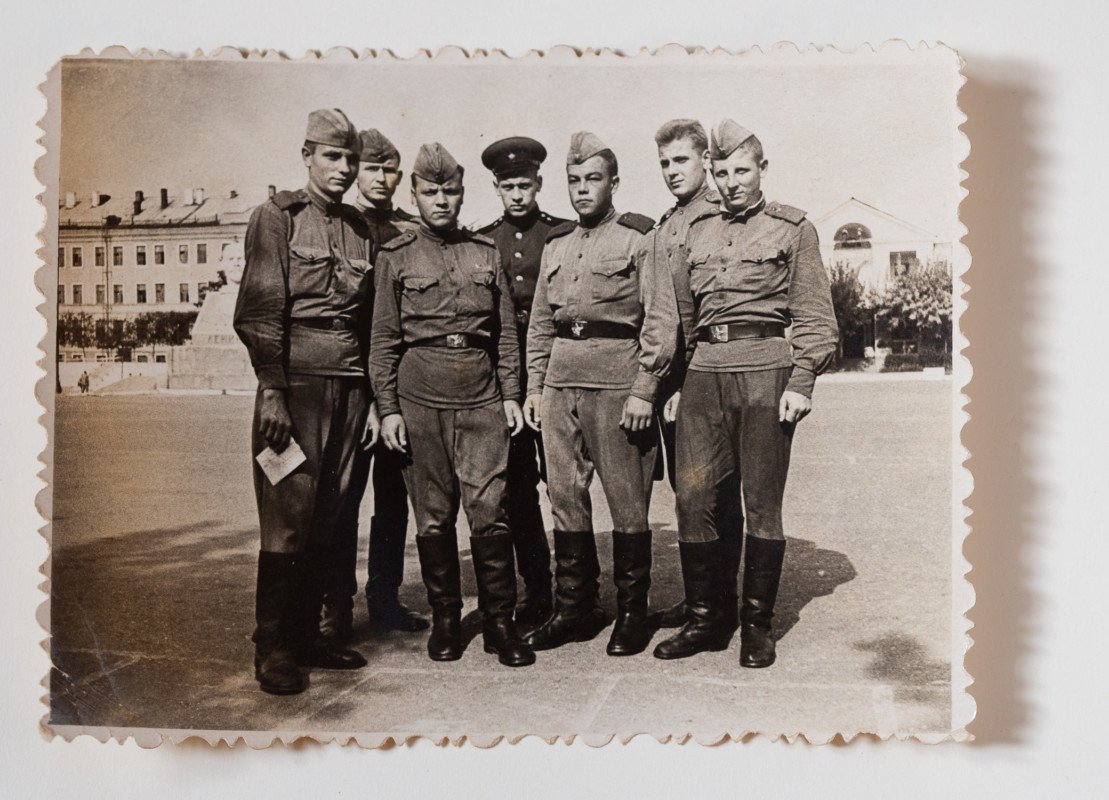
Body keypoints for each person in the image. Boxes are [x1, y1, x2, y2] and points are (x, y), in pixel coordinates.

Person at [652, 119, 838, 667]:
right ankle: (707, 619)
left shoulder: (792, 229)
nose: (731, 183)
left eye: (741, 171)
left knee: (761, 503)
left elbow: (815, 316)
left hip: (766, 371)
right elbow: (684, 316)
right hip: (704, 374)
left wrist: (801, 380)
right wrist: (679, 382)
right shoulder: (696, 231)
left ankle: (757, 624)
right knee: (692, 498)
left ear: (762, 169)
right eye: (722, 173)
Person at [370, 142, 535, 668]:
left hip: (481, 397)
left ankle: (499, 622)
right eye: (431, 192)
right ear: (414, 194)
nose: (441, 200)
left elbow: (505, 335)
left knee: (490, 511)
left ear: (462, 194)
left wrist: (511, 395)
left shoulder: (484, 252)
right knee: (434, 515)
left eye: (450, 191)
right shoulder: (396, 256)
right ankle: (446, 618)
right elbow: (383, 341)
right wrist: (389, 409)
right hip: (420, 398)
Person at [233, 108, 374, 695]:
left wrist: (372, 398)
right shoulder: (276, 218)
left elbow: (369, 320)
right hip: (297, 387)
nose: (343, 168)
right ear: (307, 156)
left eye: (350, 159)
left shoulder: (361, 229)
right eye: (331, 157)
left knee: (328, 516)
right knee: (287, 515)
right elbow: (260, 308)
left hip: (350, 386)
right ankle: (273, 646)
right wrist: (272, 389)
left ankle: (309, 635)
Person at [523, 131, 678, 657]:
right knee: (564, 497)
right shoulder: (556, 244)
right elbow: (541, 324)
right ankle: (575, 608)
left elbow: (660, 319)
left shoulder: (639, 238)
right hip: (561, 383)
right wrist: (535, 386)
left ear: (614, 183)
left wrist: (645, 389)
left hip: (617, 383)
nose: (583, 189)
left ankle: (632, 612)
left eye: (593, 179)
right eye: (574, 180)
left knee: (627, 502)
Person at [321, 128, 428, 642]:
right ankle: (336, 606)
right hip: (351, 386)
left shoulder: (411, 230)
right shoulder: (340, 226)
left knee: (393, 501)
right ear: (356, 171)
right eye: (371, 169)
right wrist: (366, 398)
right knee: (343, 500)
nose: (381, 179)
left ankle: (385, 597)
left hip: (401, 390)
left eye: (389, 171)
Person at [649, 119, 744, 631]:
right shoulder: (667, 224)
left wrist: (690, 382)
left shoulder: (718, 215)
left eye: (681, 160)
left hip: (707, 375)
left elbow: (711, 310)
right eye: (664, 163)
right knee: (690, 493)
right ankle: (701, 599)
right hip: (674, 380)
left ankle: (719, 605)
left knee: (715, 490)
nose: (671, 171)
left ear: (705, 161)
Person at [474, 136, 570, 628]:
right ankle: (537, 587)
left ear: (538, 184)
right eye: (508, 186)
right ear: (496, 188)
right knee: (516, 488)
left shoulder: (561, 234)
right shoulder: (483, 240)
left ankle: (575, 593)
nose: (517, 194)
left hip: (555, 371)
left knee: (564, 482)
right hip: (505, 378)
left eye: (524, 185)